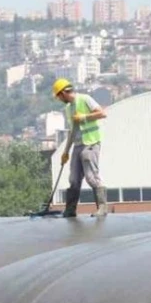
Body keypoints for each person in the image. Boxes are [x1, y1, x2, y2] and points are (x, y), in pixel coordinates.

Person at [54, 78, 108, 218]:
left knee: (91, 177)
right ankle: (70, 209)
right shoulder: (68, 108)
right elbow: (72, 131)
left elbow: (102, 113)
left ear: (63, 93)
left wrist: (84, 117)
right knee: (73, 178)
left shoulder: (85, 99)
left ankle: (102, 208)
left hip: (90, 143)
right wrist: (65, 152)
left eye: (58, 96)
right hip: (78, 145)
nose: (59, 99)